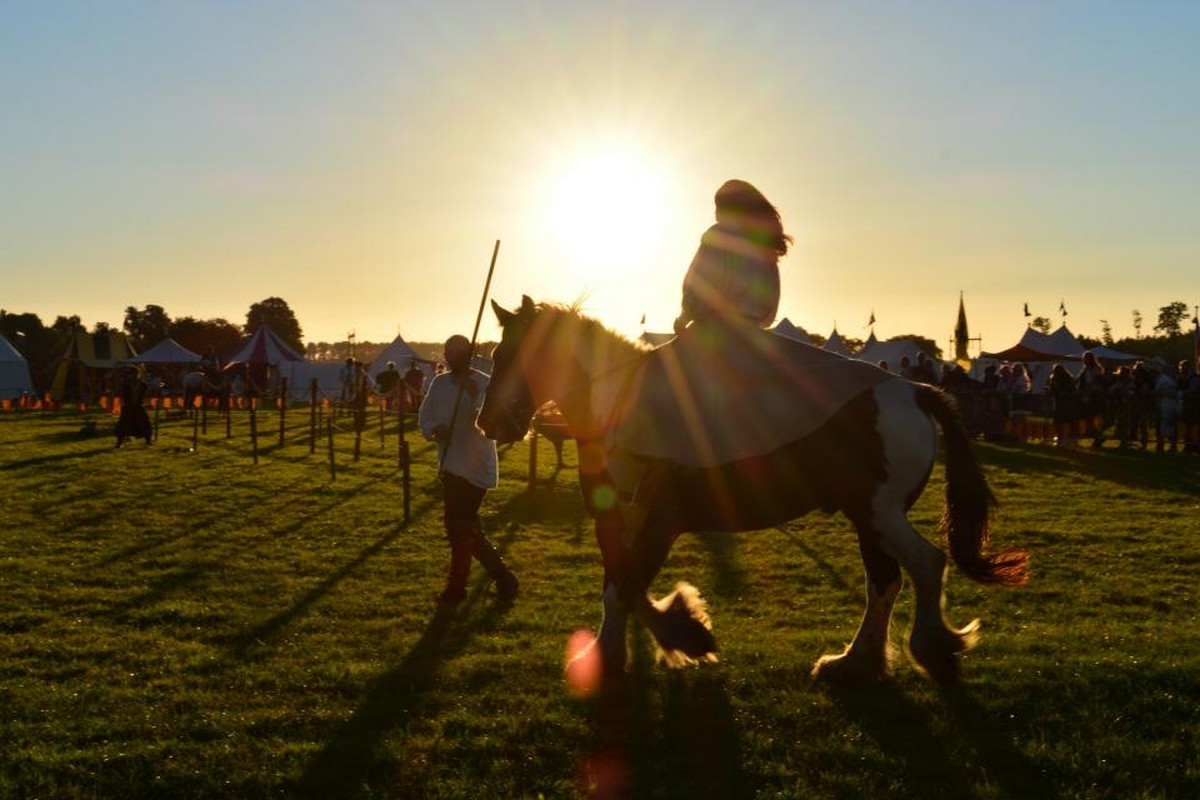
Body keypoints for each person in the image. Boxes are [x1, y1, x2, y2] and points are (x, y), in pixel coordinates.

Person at [419, 334, 518, 606]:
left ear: (469, 353)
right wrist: (434, 430)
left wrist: (476, 399)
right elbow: (425, 416)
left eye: (458, 352)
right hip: (450, 464)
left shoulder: (484, 383)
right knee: (464, 529)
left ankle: (457, 589)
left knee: (459, 528)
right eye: (449, 352)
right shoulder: (439, 384)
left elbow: (491, 423)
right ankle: (503, 578)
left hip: (475, 468)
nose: (452, 357)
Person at [674, 179, 791, 334]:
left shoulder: (719, 234)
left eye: (717, 206)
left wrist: (685, 315)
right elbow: (770, 302)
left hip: (714, 330)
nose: (715, 213)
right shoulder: (764, 244)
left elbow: (704, 281)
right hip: (752, 334)